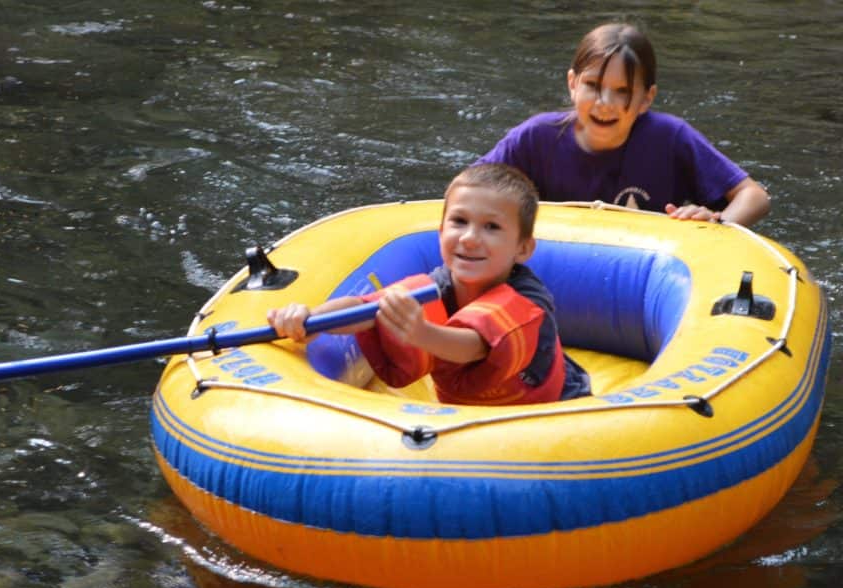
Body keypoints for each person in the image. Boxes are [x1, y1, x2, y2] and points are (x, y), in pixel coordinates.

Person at [267, 163, 591, 406]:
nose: (469, 238)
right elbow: (366, 309)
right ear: (440, 232)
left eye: (491, 227)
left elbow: (476, 345)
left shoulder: (529, 299)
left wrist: (421, 334)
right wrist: (311, 320)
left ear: (523, 249)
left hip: (555, 406)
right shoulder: (437, 285)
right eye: (459, 222)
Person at [477, 23, 771, 227]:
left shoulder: (669, 138)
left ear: (646, 98)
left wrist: (715, 223)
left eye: (623, 91)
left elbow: (754, 196)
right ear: (572, 84)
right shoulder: (536, 138)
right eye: (593, 85)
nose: (605, 102)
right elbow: (468, 188)